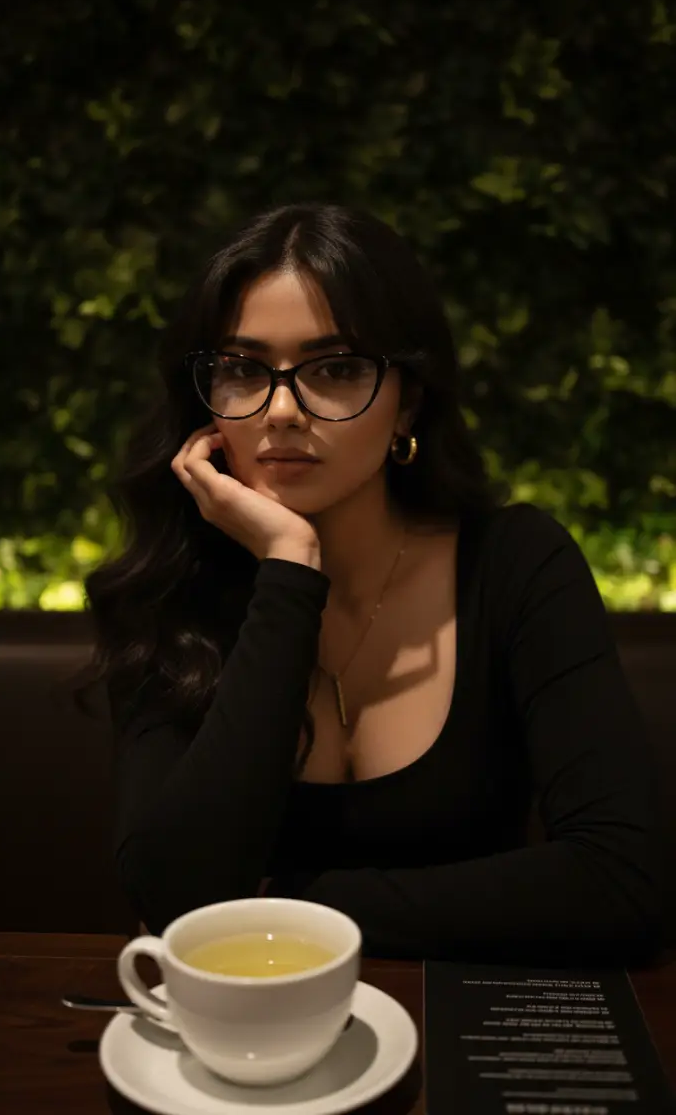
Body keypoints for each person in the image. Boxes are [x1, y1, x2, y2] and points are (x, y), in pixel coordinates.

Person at [73, 202, 664, 966]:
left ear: (407, 400)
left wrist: (284, 907)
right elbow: (174, 897)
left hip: (465, 1039)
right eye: (244, 369)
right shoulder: (172, 588)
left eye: (336, 368)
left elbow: (623, 882)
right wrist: (289, 566)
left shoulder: (516, 564)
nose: (282, 409)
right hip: (242, 1048)